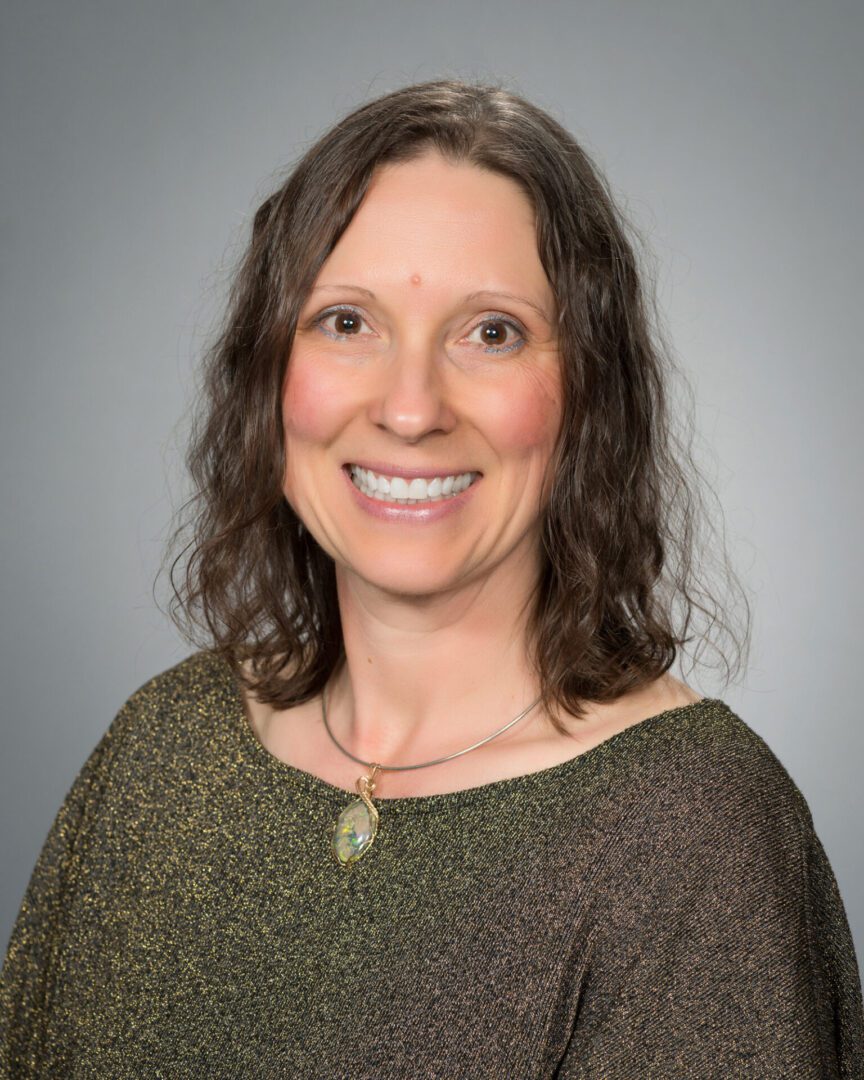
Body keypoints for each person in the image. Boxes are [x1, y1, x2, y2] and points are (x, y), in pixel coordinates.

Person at [1, 78, 862, 1079]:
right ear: (268, 373)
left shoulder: (695, 836)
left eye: (490, 331)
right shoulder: (163, 751)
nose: (410, 408)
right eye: (345, 323)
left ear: (589, 391)